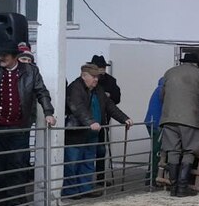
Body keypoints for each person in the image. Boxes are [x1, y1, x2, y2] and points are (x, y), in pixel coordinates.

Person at [0, 40, 56, 206]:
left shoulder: (30, 71)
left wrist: (48, 112)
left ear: (15, 56)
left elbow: (41, 92)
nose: (1, 58)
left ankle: (15, 205)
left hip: (19, 127)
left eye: (4, 55)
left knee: (17, 165)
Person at [62, 64, 132, 198]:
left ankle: (85, 188)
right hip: (76, 131)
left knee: (88, 162)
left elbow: (109, 105)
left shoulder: (98, 89)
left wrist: (124, 118)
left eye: (97, 77)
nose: (96, 80)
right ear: (84, 76)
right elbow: (77, 107)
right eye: (93, 77)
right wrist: (90, 122)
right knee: (72, 162)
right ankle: (70, 190)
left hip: (92, 132)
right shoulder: (74, 88)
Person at [160, 52, 199, 197]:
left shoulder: (169, 72)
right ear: (196, 64)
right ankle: (182, 188)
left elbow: (162, 96)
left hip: (169, 118)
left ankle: (173, 188)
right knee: (189, 151)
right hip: (189, 118)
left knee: (172, 151)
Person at [89, 55, 122, 187]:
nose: (102, 70)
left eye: (103, 67)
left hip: (104, 118)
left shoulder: (111, 80)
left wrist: (110, 95)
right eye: (99, 67)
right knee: (88, 150)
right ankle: (86, 179)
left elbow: (117, 98)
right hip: (89, 120)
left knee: (101, 150)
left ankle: (100, 177)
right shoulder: (87, 80)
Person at [144, 77, 165, 184]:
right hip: (157, 124)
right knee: (157, 152)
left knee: (154, 150)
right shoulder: (163, 90)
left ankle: (150, 177)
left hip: (150, 121)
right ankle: (152, 179)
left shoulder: (158, 89)